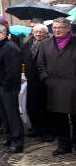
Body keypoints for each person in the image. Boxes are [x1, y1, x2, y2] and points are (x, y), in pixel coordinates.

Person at [36, 17, 76, 156]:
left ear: (68, 29)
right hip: (54, 87)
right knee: (59, 118)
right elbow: (40, 65)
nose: (57, 30)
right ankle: (64, 145)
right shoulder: (45, 44)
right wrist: (46, 79)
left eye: (60, 27)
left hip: (73, 86)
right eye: (55, 27)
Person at [0, 24, 24, 153]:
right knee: (4, 114)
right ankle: (9, 138)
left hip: (8, 88)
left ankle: (17, 142)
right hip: (0, 86)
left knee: (12, 114)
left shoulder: (10, 48)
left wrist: (5, 85)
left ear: (2, 34)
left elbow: (13, 71)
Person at [21, 24, 54, 141]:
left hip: (46, 81)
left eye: (41, 32)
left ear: (46, 33)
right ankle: (36, 129)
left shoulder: (51, 45)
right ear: (33, 33)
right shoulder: (26, 45)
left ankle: (48, 132)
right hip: (31, 81)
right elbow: (22, 62)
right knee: (32, 107)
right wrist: (22, 74)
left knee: (46, 108)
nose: (38, 34)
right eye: (36, 32)